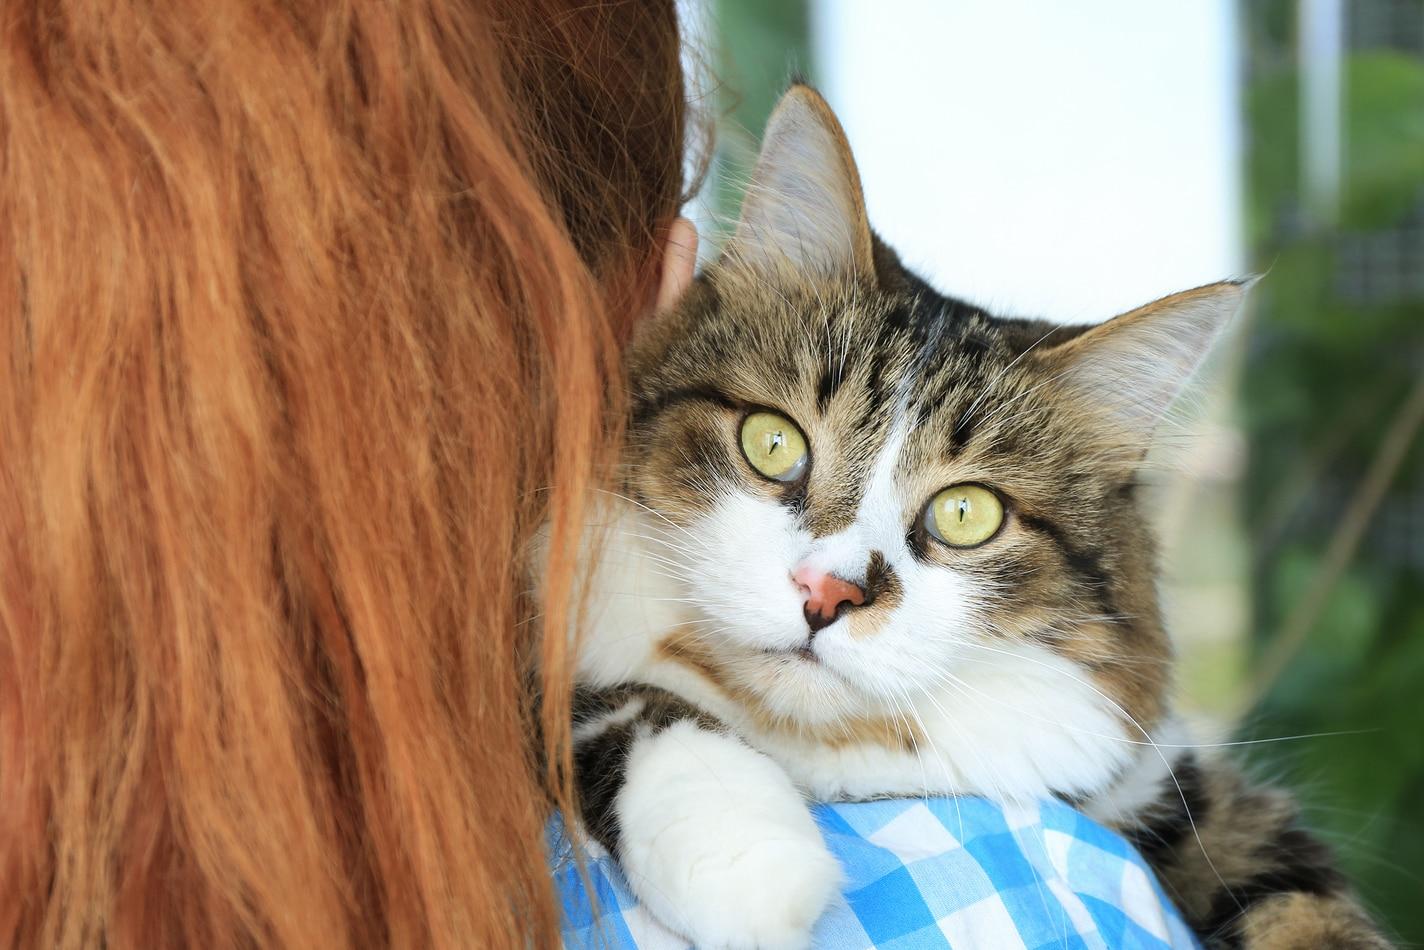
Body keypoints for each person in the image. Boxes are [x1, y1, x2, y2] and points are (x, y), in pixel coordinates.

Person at [0, 2, 1190, 947]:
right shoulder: (1030, 899)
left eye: (961, 516)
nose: (830, 581)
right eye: (775, 449)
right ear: (657, 296)